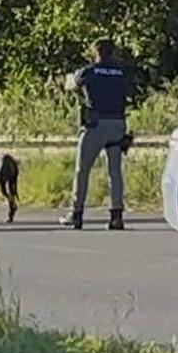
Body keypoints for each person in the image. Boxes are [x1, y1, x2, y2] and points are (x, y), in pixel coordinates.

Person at [59, 38, 130, 230]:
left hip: (96, 124)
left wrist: (68, 77)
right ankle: (116, 216)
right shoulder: (121, 72)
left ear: (95, 52)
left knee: (82, 170)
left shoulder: (89, 71)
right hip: (118, 123)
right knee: (114, 172)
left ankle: (76, 213)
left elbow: (70, 86)